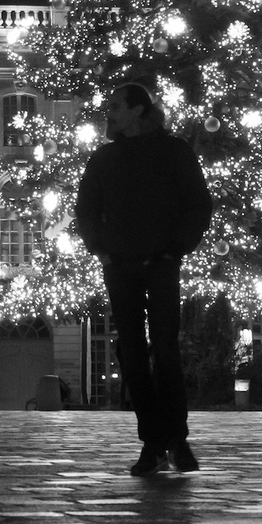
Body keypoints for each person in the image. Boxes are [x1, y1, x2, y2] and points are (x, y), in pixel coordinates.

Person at [76, 82, 212, 476]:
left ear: (138, 110)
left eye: (116, 106)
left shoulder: (173, 151)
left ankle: (176, 438)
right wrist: (101, 250)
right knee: (132, 353)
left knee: (166, 349)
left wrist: (175, 249)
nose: (109, 113)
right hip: (120, 265)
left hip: (161, 263)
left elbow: (198, 203)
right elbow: (86, 209)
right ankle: (153, 441)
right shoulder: (104, 159)